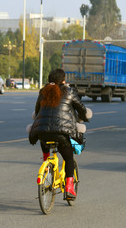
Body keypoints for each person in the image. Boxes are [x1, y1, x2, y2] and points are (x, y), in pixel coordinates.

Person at [29, 69, 89, 199]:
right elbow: (81, 108)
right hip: (61, 133)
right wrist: (85, 117)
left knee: (44, 137)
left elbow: (37, 110)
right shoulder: (69, 91)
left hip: (42, 132)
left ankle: (46, 160)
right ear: (63, 80)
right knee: (68, 158)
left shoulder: (43, 92)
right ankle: (69, 187)